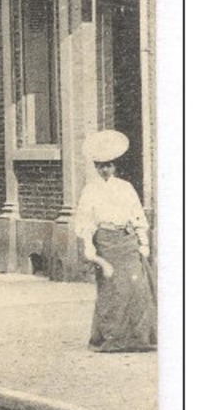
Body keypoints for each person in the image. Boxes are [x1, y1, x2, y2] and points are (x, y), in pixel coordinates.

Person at [74, 130, 155, 353]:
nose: (105, 170)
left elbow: (136, 213)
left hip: (127, 242)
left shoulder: (126, 188)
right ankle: (111, 337)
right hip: (106, 243)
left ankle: (138, 338)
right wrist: (89, 244)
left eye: (109, 165)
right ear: (96, 167)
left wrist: (142, 240)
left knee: (136, 288)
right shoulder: (90, 190)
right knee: (112, 290)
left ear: (115, 166)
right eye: (101, 166)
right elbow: (85, 220)